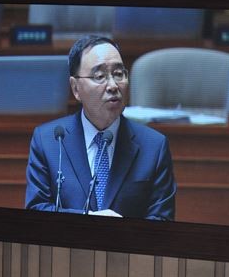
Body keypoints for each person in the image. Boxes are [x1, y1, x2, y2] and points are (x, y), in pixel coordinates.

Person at [25, 34, 176, 220]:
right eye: (99, 76)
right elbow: (36, 210)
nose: (113, 85)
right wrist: (89, 220)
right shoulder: (48, 140)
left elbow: (162, 220)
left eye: (118, 74)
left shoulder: (154, 147)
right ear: (76, 88)